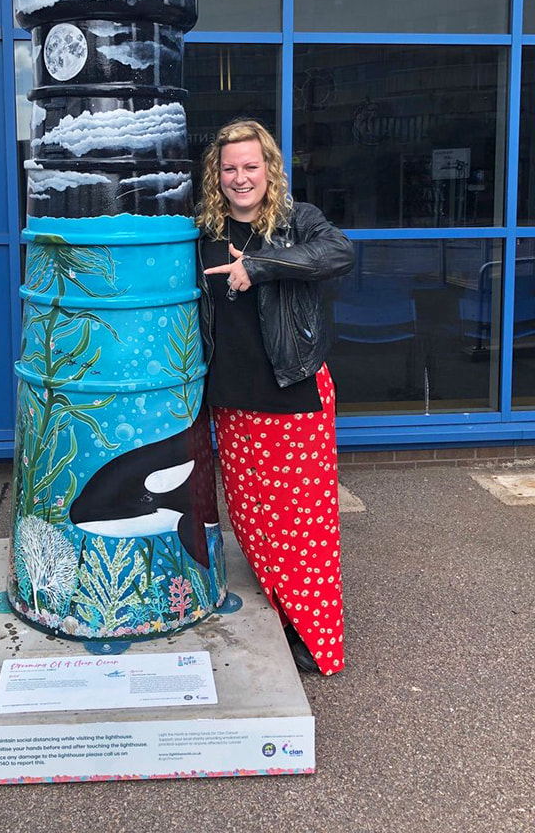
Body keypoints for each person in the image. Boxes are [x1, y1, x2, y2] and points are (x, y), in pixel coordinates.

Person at [196, 119, 354, 675]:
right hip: (232, 400)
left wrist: (257, 268)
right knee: (253, 517)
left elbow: (338, 255)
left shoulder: (297, 222)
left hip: (293, 393)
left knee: (304, 524)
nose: (241, 178)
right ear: (217, 175)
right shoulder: (205, 232)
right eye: (229, 168)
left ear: (270, 169)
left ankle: (320, 641)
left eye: (250, 167)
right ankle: (286, 613)